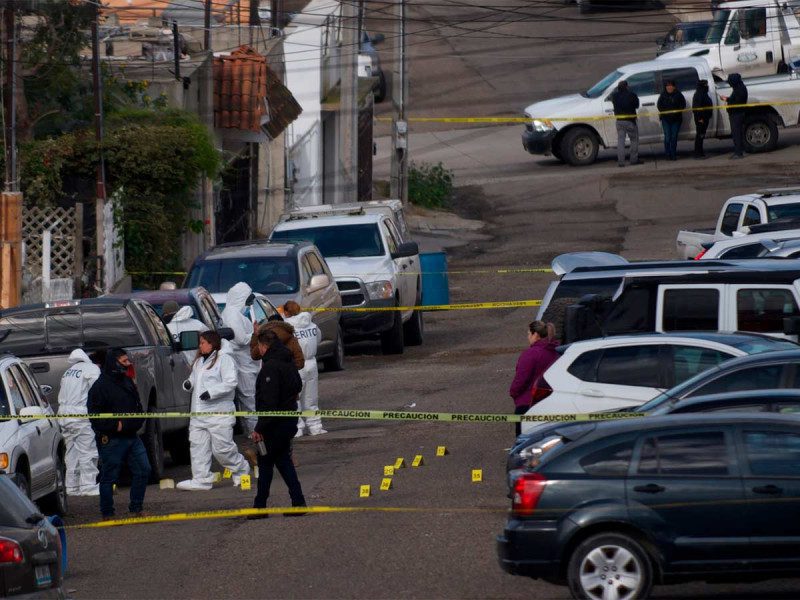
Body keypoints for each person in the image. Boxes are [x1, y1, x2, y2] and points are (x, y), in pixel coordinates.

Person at [176, 331, 250, 491]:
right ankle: (201, 479)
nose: (200, 346)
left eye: (203, 342)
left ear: (212, 343)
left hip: (218, 414)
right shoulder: (199, 362)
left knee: (222, 449)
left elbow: (231, 382)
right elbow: (194, 379)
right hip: (198, 415)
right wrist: (188, 384)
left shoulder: (225, 359)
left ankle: (241, 469)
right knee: (198, 448)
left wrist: (211, 392)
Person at [87, 349, 151, 519]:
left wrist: (135, 422)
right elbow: (95, 416)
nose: (128, 364)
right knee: (109, 476)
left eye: (127, 360)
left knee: (143, 469)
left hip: (132, 436)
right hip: (112, 439)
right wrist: (116, 425)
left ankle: (136, 508)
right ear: (114, 363)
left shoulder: (127, 381)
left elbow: (138, 406)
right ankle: (107, 513)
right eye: (124, 361)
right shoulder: (100, 387)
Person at [250, 329, 306, 517]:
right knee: (283, 461)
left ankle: (260, 507)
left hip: (273, 425)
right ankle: (297, 502)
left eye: (259, 346)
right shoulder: (288, 360)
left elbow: (269, 402)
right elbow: (298, 386)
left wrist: (259, 428)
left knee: (266, 465)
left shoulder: (270, 367)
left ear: (263, 346)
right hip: (288, 419)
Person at [57, 349, 103, 496]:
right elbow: (98, 391)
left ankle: (72, 487)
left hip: (64, 415)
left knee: (72, 452)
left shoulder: (68, 372)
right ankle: (88, 486)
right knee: (88, 451)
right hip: (80, 415)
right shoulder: (92, 369)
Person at [221, 282, 262, 434]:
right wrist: (255, 334)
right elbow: (240, 339)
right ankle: (254, 432)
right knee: (249, 399)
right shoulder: (232, 315)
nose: (249, 304)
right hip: (243, 364)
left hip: (247, 362)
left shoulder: (234, 313)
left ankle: (253, 430)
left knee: (250, 399)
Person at [508, 321, 560, 437]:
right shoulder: (557, 352)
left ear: (535, 334)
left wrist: (513, 392)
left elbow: (521, 379)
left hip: (527, 403)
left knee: (524, 440)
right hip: (550, 402)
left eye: (528, 334)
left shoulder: (530, 354)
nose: (528, 337)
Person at [282, 301, 326, 437]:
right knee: (311, 398)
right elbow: (318, 338)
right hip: (311, 363)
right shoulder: (311, 324)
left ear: (286, 312)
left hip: (295, 364)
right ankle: (315, 427)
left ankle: (297, 428)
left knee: (294, 397)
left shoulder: (286, 328)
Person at [611, 80, 643, 167]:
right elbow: (637, 105)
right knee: (634, 140)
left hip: (619, 121)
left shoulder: (614, 96)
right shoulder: (632, 95)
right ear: (627, 86)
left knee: (621, 142)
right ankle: (634, 159)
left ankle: (621, 162)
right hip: (630, 121)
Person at [657, 79, 686, 161]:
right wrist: (665, 113)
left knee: (674, 137)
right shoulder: (663, 95)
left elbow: (683, 105)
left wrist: (676, 112)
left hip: (676, 119)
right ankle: (667, 154)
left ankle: (673, 154)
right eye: (667, 86)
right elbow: (659, 106)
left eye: (670, 86)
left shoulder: (679, 95)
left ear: (674, 87)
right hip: (666, 119)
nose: (669, 87)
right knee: (667, 137)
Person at [725, 73, 748, 159]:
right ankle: (739, 151)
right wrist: (728, 99)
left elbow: (737, 102)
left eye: (730, 82)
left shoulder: (739, 89)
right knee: (737, 134)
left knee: (737, 134)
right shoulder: (738, 88)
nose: (729, 84)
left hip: (737, 114)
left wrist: (728, 100)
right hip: (736, 113)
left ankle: (738, 153)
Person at [692, 79, 713, 159]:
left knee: (701, 135)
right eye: (705, 85)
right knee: (700, 136)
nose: (707, 86)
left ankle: (700, 152)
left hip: (705, 117)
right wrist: (700, 118)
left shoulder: (703, 93)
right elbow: (697, 108)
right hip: (701, 119)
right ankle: (698, 153)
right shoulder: (699, 94)